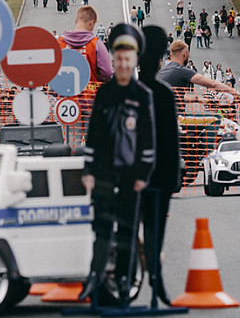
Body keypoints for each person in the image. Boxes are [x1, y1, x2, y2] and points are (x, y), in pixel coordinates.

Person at [78, 24, 155, 306]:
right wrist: (88, 171)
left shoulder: (143, 95)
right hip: (104, 173)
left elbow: (148, 140)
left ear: (134, 62)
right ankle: (94, 278)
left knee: (126, 230)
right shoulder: (104, 94)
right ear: (114, 61)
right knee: (101, 228)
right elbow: (94, 134)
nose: (123, 64)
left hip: (130, 174)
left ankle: (124, 280)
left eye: (128, 60)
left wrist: (142, 174)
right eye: (118, 59)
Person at [137, 25, 180, 306]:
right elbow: (170, 140)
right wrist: (175, 175)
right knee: (155, 229)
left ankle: (134, 274)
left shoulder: (122, 91)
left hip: (127, 175)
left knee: (128, 227)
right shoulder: (163, 93)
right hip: (160, 175)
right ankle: (155, 276)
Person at [156, 40, 238, 95]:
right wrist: (236, 93)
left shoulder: (164, 70)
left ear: (170, 55)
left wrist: (197, 99)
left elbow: (175, 97)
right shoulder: (181, 71)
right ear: (185, 54)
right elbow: (213, 84)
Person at [59, 6, 113, 85]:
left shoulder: (60, 43)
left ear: (76, 21)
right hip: (89, 95)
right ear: (91, 23)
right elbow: (107, 73)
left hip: (64, 95)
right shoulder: (96, 44)